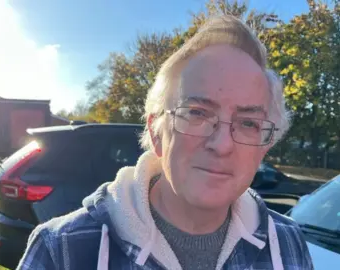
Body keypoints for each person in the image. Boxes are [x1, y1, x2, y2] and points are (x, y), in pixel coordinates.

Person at [17, 15, 314, 270]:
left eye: (248, 123)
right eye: (197, 113)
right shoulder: (62, 252)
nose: (222, 144)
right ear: (157, 132)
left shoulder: (287, 244)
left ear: (265, 145)